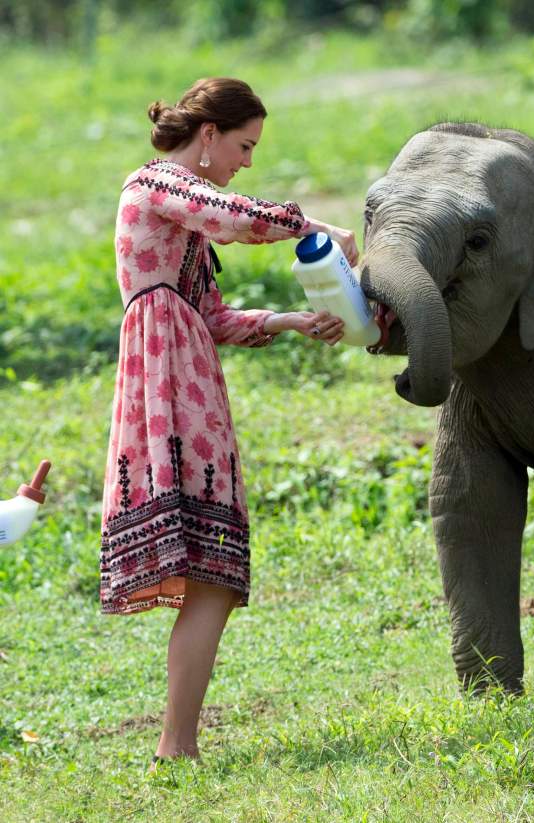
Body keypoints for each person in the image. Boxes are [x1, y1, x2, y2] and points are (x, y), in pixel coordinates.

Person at [100, 77, 359, 762]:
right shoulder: (155, 187)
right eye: (244, 146)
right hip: (168, 388)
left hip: (188, 380)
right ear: (208, 135)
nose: (247, 161)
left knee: (215, 573)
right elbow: (235, 216)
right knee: (208, 569)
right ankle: (174, 744)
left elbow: (213, 316)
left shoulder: (182, 208)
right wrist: (314, 227)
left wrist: (291, 321)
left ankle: (177, 742)